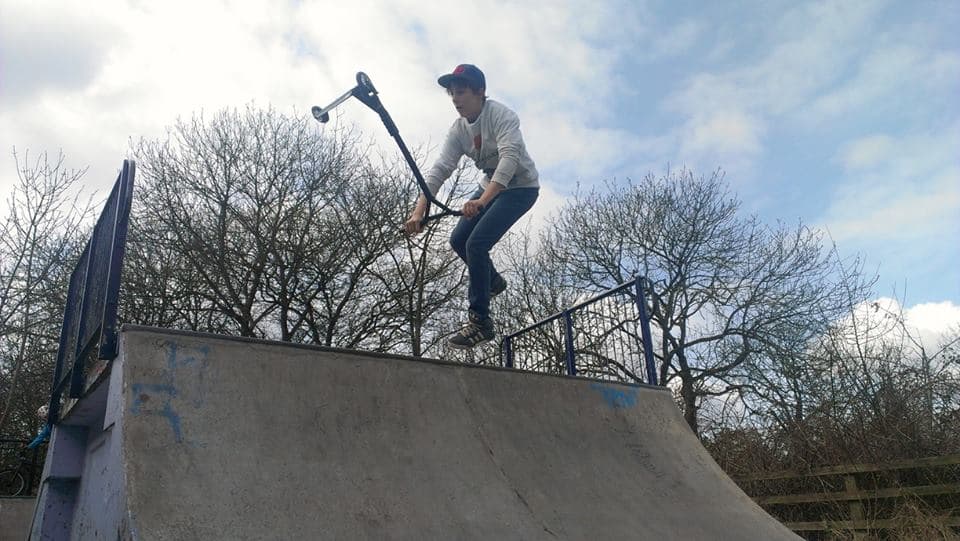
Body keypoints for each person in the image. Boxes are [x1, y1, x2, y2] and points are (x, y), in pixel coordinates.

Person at [404, 64, 540, 349]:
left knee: (476, 244)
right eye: (452, 94)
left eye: (462, 92)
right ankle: (492, 281)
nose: (456, 99)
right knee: (458, 240)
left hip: (520, 188)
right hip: (490, 185)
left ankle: (480, 322)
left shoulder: (501, 116)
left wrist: (481, 201)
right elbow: (440, 169)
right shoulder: (458, 130)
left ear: (480, 92)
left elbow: (509, 160)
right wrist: (419, 211)